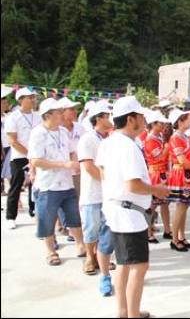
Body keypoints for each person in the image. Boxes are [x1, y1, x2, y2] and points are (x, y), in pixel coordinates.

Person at [96, 96, 170, 318]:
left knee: (124, 264)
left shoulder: (109, 142)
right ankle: (133, 314)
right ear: (131, 119)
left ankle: (125, 311)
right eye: (141, 116)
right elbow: (133, 184)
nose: (144, 120)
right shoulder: (128, 146)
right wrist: (157, 190)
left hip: (117, 208)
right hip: (128, 214)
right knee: (139, 266)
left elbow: (103, 171)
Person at [28, 97, 86, 266]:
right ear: (48, 115)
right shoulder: (38, 133)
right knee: (48, 218)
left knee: (74, 215)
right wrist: (63, 164)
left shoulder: (62, 131)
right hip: (48, 185)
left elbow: (71, 152)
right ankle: (50, 251)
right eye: (59, 112)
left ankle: (81, 245)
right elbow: (36, 161)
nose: (62, 114)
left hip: (66, 182)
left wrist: (75, 162)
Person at [77, 101, 115, 293]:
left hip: (107, 194)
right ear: (99, 118)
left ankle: (103, 259)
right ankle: (90, 257)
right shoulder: (87, 139)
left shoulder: (109, 138)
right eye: (107, 116)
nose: (110, 119)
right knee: (91, 229)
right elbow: (89, 167)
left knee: (106, 230)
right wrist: (108, 179)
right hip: (93, 192)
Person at [5, 87, 41, 227]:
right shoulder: (12, 117)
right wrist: (29, 154)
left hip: (36, 157)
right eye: (29, 97)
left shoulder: (38, 116)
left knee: (36, 185)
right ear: (20, 100)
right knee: (16, 185)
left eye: (33, 97)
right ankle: (10, 217)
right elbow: (12, 141)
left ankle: (34, 212)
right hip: (19, 156)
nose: (33, 100)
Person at [167, 108, 190, 252]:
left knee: (184, 207)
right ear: (180, 121)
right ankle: (174, 239)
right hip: (181, 173)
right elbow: (182, 159)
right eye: (187, 118)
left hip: (186, 173)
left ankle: (181, 236)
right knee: (180, 208)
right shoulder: (176, 137)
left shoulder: (185, 136)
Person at [142, 111, 172, 244]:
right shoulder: (149, 140)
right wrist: (167, 146)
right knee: (152, 205)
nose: (163, 125)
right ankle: (148, 232)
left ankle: (167, 229)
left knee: (165, 203)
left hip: (163, 173)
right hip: (155, 174)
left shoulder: (159, 137)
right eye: (161, 123)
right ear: (153, 124)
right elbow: (159, 158)